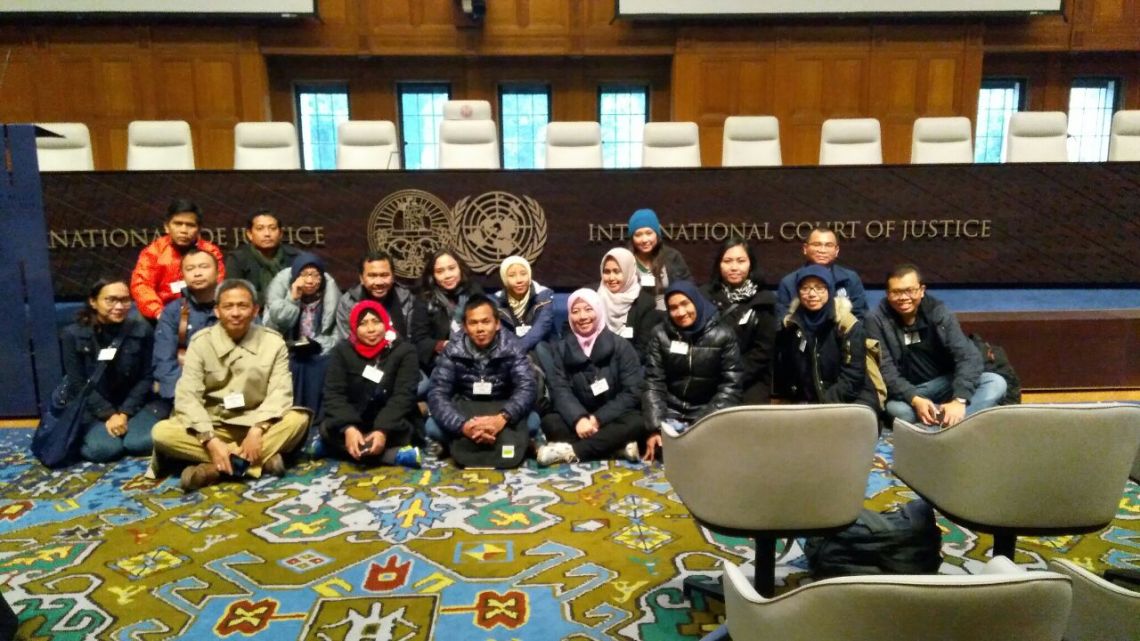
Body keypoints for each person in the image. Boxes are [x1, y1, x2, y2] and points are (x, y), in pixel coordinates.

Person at [149, 279, 310, 492]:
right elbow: (187, 396)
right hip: (213, 424)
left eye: (242, 306)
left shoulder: (274, 343)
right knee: (162, 433)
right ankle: (255, 463)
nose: (235, 313)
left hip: (257, 423)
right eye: (228, 306)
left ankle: (214, 469)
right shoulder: (200, 342)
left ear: (255, 310)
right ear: (217, 311)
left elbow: (280, 392)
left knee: (298, 419)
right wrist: (210, 440)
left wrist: (257, 430)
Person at [865, 264, 1007, 427]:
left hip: (945, 383)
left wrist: (959, 400)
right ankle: (952, 421)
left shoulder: (937, 311)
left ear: (922, 290)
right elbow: (885, 370)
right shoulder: (875, 320)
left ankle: (938, 424)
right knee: (898, 411)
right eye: (896, 292)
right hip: (910, 392)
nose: (903, 297)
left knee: (995, 383)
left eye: (910, 290)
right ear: (887, 294)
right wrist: (915, 399)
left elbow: (967, 356)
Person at [425, 294, 537, 469]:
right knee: (432, 427)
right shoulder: (452, 350)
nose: (480, 329)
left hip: (501, 407)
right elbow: (437, 393)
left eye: (486, 322)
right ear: (465, 327)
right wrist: (464, 426)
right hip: (466, 410)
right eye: (473, 323)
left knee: (534, 421)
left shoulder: (513, 347)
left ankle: (460, 444)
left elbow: (527, 387)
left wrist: (502, 418)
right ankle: (508, 441)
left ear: (497, 324)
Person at [536, 289, 644, 466]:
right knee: (551, 423)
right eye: (575, 311)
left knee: (638, 422)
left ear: (598, 311)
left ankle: (571, 451)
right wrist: (578, 418)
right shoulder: (562, 349)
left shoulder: (621, 346)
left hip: (612, 416)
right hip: (579, 419)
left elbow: (632, 391)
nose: (582, 316)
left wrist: (597, 419)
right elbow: (559, 389)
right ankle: (616, 447)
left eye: (588, 309)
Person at [61, 277, 163, 462]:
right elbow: (78, 382)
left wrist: (124, 413)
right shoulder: (73, 334)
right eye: (111, 300)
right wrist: (108, 414)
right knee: (103, 450)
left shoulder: (142, 329)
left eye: (125, 300)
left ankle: (128, 429)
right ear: (93, 302)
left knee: (140, 444)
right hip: (93, 406)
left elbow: (147, 376)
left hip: (134, 404)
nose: (119, 306)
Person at [642, 281, 743, 462]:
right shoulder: (660, 334)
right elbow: (653, 382)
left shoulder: (724, 335)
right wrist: (656, 428)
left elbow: (731, 386)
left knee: (709, 459)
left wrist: (700, 425)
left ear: (696, 301)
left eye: (685, 304)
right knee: (664, 455)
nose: (680, 312)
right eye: (673, 308)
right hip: (671, 411)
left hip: (706, 412)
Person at [320, 300, 422, 467]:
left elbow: (404, 396)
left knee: (405, 431)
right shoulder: (342, 351)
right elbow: (334, 393)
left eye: (376, 322)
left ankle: (335, 449)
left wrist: (382, 430)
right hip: (355, 419)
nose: (371, 329)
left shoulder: (404, 351)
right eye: (363, 323)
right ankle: (393, 456)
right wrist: (349, 428)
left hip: (392, 422)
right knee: (328, 428)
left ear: (385, 323)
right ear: (354, 327)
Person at [772, 265, 879, 409]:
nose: (812, 294)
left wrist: (824, 406)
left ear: (830, 290)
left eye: (819, 288)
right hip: (809, 401)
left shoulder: (847, 324)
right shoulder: (792, 325)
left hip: (851, 399)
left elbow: (853, 376)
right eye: (805, 288)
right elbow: (787, 370)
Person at [263, 253, 342, 414]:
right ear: (295, 276)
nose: (310, 281)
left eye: (315, 275)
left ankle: (317, 420)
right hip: (287, 353)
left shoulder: (331, 296)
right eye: (304, 275)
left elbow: (339, 334)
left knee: (320, 366)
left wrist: (318, 345)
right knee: (293, 366)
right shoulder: (282, 294)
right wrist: (292, 299)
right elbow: (270, 329)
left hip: (320, 353)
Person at [702, 238, 777, 404]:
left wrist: (732, 376)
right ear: (719, 265)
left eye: (741, 261)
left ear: (751, 264)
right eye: (727, 261)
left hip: (750, 380)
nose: (734, 267)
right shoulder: (704, 297)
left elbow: (763, 351)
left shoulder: (764, 301)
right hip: (709, 377)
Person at [130, 198, 226, 321]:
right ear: (167, 227)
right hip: (161, 311)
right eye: (178, 224)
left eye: (190, 225)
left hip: (201, 309)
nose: (183, 230)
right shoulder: (154, 252)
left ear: (199, 229)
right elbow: (141, 285)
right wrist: (159, 313)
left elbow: (217, 283)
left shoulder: (210, 252)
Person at [152, 247, 222, 412]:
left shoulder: (236, 306)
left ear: (218, 272)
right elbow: (164, 361)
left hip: (232, 391)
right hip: (187, 393)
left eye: (204, 267)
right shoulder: (173, 311)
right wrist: (185, 398)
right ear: (182, 276)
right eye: (190, 269)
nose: (197, 273)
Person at [413, 249, 484, 374]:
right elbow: (419, 340)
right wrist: (442, 345)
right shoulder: (424, 299)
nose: (447, 275)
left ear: (460, 268)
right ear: (433, 275)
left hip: (476, 356)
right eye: (440, 271)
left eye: (452, 268)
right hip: (438, 361)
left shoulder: (474, 292)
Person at [775, 227, 867, 321]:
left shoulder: (850, 279)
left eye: (829, 245)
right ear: (805, 248)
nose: (822, 250)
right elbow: (783, 320)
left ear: (836, 251)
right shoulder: (789, 282)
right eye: (816, 245)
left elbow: (859, 316)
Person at [336, 250, 424, 343]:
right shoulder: (349, 302)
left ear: (393, 277)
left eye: (384, 275)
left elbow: (413, 339)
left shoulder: (407, 299)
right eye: (372, 276)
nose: (379, 282)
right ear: (361, 278)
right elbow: (347, 342)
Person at [223, 209, 301, 306]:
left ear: (280, 233)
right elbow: (234, 293)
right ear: (250, 234)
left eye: (272, 228)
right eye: (260, 229)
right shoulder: (238, 259)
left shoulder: (295, 257)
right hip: (253, 311)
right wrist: (276, 299)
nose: (267, 234)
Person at [596, 247, 663, 357]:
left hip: (629, 362)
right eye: (607, 272)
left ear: (629, 271)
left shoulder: (645, 303)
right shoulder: (592, 295)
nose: (611, 278)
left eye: (617, 272)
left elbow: (643, 348)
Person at [627, 208, 691, 308]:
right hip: (637, 314)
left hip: (669, 313)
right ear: (632, 238)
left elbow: (688, 287)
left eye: (649, 233)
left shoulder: (672, 256)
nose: (644, 240)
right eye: (638, 235)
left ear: (657, 234)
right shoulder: (625, 260)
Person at [492, 255, 556, 354]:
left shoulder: (544, 295)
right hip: (510, 347)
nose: (519, 280)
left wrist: (519, 348)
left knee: (540, 347)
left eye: (523, 274)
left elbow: (542, 327)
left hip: (541, 345)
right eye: (512, 275)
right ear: (504, 278)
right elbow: (501, 332)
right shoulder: (497, 301)